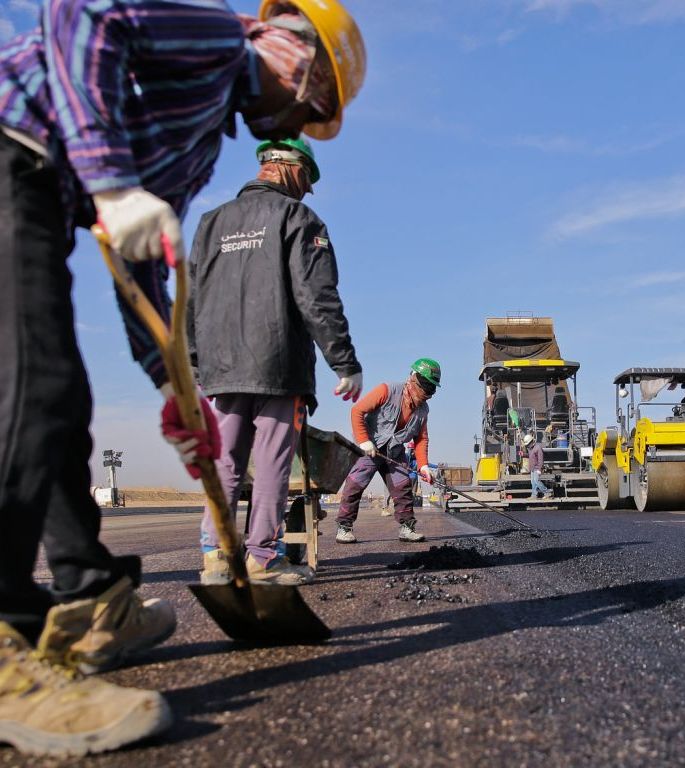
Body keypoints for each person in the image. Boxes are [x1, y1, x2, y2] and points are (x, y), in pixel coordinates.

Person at [0, 0, 365, 756]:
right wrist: (107, 181)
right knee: (34, 390)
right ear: (295, 57)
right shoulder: (215, 38)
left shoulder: (202, 145)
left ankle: (89, 598)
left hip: (43, 189)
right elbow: (76, 14)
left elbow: (139, 253)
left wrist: (172, 382)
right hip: (12, 153)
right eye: (313, 102)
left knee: (61, 402)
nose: (295, 118)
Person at [188, 137, 361, 586]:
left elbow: (191, 299)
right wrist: (344, 362)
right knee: (271, 464)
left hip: (220, 369)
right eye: (307, 180)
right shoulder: (297, 218)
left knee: (224, 460)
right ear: (292, 168)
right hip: (277, 364)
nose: (306, 190)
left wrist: (194, 362)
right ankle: (262, 558)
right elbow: (316, 296)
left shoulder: (210, 223)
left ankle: (216, 557)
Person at [335, 360, 441, 544]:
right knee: (355, 485)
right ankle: (344, 528)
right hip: (370, 447)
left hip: (394, 452)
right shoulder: (387, 390)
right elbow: (357, 411)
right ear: (413, 379)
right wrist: (363, 441)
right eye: (425, 388)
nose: (427, 394)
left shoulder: (423, 410)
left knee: (403, 487)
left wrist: (423, 466)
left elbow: (421, 439)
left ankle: (407, 528)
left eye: (431, 390)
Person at [523, 433, 551, 499]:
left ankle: (547, 492)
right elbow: (529, 456)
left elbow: (541, 459)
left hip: (536, 468)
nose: (527, 446)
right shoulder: (530, 449)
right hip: (532, 468)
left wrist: (539, 469)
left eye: (528, 444)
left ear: (531, 442)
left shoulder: (538, 447)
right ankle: (534, 495)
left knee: (537, 481)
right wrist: (523, 455)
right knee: (533, 482)